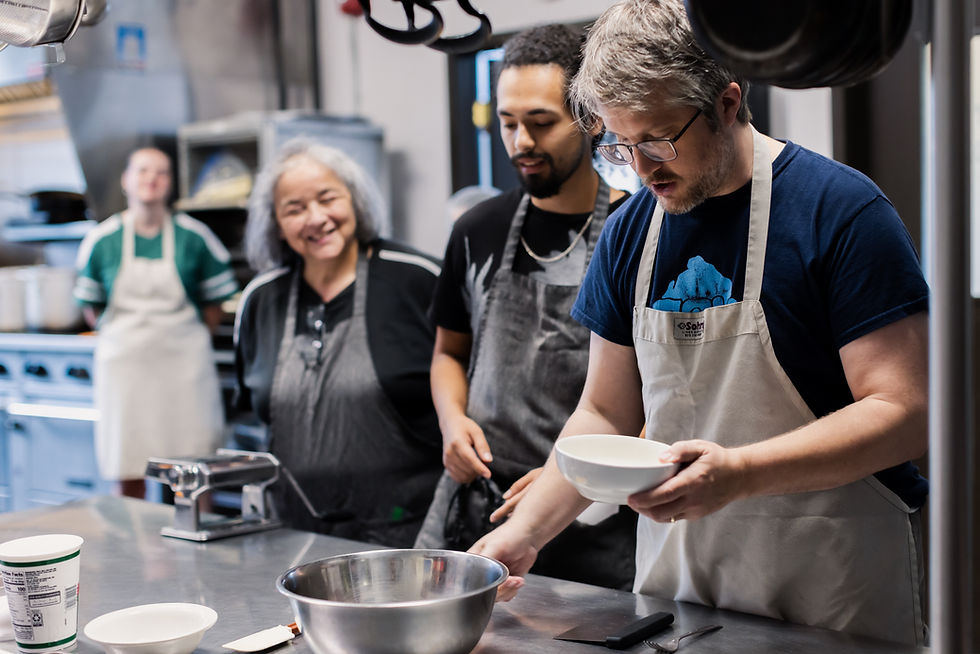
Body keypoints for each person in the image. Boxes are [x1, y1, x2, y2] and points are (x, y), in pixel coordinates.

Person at [471, 0, 930, 646]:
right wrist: (526, 533)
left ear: (727, 103)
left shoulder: (841, 212)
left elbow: (906, 413)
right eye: (621, 146)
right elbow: (604, 413)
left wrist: (740, 473)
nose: (642, 168)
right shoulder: (632, 232)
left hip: (833, 592)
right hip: (683, 599)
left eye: (659, 140)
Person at [414, 23, 637, 591]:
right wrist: (452, 422)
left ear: (589, 120)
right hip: (482, 503)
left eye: (540, 123)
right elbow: (448, 352)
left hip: (594, 515)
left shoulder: (636, 230)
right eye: (508, 123)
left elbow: (655, 390)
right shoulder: (477, 230)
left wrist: (572, 478)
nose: (520, 143)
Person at [234, 138, 443, 547]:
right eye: (294, 209)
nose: (315, 218)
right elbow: (249, 417)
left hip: (409, 534)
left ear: (356, 200)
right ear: (275, 223)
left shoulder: (418, 280)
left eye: (328, 198)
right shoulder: (260, 300)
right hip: (291, 536)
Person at [74, 146, 237, 499]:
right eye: (143, 171)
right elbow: (91, 307)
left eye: (161, 172)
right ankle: (132, 547)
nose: (152, 179)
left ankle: (195, 543)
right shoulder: (101, 241)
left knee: (192, 468)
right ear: (126, 181)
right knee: (128, 461)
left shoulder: (195, 237)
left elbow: (215, 304)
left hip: (183, 369)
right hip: (127, 369)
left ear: (171, 183)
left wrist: (183, 338)